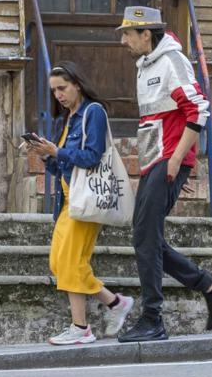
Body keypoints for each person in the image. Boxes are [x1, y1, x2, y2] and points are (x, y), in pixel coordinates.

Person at [113, 5, 212, 343]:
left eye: (128, 33)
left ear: (146, 34)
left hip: (168, 161)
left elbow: (198, 108)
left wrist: (177, 157)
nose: (123, 40)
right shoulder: (147, 66)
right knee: (145, 237)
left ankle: (153, 319)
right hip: (155, 161)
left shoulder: (171, 61)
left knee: (144, 238)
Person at [23, 61, 135, 346]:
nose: (58, 95)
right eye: (54, 90)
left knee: (71, 263)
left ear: (78, 85)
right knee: (59, 263)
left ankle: (80, 327)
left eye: (63, 88)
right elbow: (63, 167)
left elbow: (92, 157)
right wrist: (45, 155)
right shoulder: (67, 120)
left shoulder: (92, 113)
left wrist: (57, 150)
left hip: (87, 200)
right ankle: (115, 303)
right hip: (68, 199)